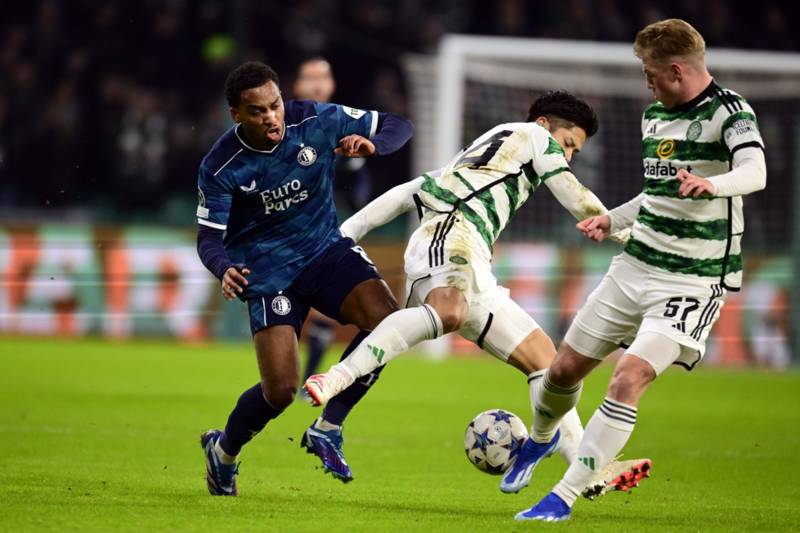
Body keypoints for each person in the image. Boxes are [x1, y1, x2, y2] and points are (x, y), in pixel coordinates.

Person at [303, 91, 650, 497]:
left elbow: (411, 191)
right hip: (450, 235)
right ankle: (335, 379)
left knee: (548, 363)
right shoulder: (534, 136)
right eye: (568, 144)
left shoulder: (477, 158)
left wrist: (344, 234)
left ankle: (587, 472)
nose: (567, 156)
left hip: (473, 261)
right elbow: (575, 195)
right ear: (544, 125)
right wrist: (627, 235)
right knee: (449, 311)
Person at [514, 19, 767, 521]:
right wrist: (613, 219)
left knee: (627, 377)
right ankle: (541, 439)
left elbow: (755, 172)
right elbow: (656, 194)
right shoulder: (654, 116)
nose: (646, 83)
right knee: (562, 371)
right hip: (635, 265)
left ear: (676, 71)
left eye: (650, 74)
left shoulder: (731, 111)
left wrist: (713, 185)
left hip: (694, 280)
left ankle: (561, 498)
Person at [195, 61, 413, 496]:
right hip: (267, 272)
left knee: (389, 322)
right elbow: (209, 239)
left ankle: (329, 426)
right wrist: (224, 269)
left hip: (324, 250)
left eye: (274, 105)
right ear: (236, 114)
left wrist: (373, 145)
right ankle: (223, 453)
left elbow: (398, 125)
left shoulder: (314, 118)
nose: (271, 117)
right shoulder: (221, 165)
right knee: (280, 391)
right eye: (257, 111)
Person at [291, 57, 374, 390]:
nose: (316, 83)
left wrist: (353, 166)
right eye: (309, 77)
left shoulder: (343, 124)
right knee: (289, 310)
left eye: (322, 76)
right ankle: (286, 379)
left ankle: (306, 382)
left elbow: (360, 193)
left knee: (324, 313)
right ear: (297, 85)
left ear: (332, 84)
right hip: (285, 230)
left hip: (326, 230)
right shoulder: (281, 126)